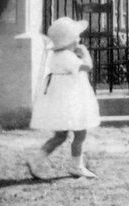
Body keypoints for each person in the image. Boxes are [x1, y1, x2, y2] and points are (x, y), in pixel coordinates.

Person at [27, 17, 101, 179]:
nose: (78, 39)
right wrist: (85, 54)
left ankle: (36, 160)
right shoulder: (67, 56)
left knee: (61, 135)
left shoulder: (58, 55)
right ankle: (76, 165)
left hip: (61, 100)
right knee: (80, 133)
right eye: (76, 37)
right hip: (69, 101)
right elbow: (86, 67)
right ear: (69, 40)